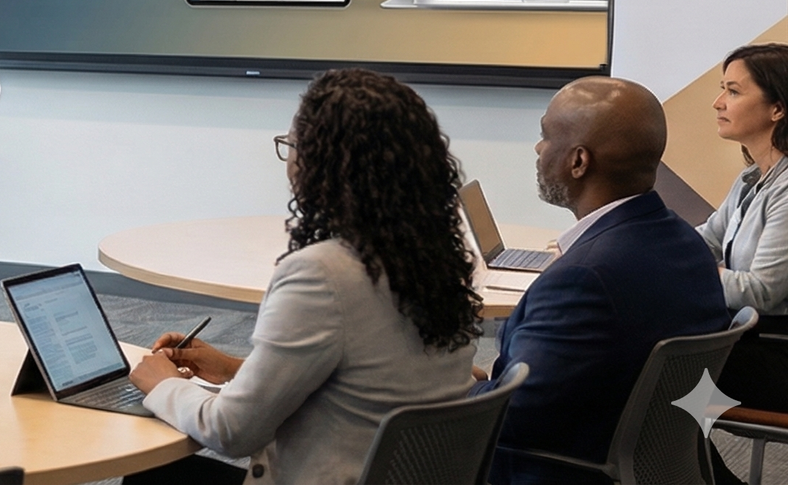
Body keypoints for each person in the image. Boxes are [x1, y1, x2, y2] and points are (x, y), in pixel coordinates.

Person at [124, 68, 482, 485]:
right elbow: (363, 381)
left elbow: (231, 431)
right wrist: (235, 370)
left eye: (292, 144)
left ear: (322, 163)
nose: (289, 158)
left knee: (150, 475)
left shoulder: (322, 274)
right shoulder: (434, 259)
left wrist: (164, 384)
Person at [478, 76, 729, 485]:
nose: (538, 149)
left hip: (553, 469)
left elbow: (511, 418)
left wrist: (459, 389)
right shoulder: (685, 243)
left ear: (579, 161)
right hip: (640, 459)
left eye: (545, 136)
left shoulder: (584, 278)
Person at [702, 43, 788, 412]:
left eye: (733, 91)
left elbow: (760, 292)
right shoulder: (752, 177)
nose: (718, 102)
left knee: (642, 373)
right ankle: (698, 473)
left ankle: (701, 473)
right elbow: (704, 241)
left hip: (777, 353)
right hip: (753, 340)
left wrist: (687, 269)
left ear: (778, 108)